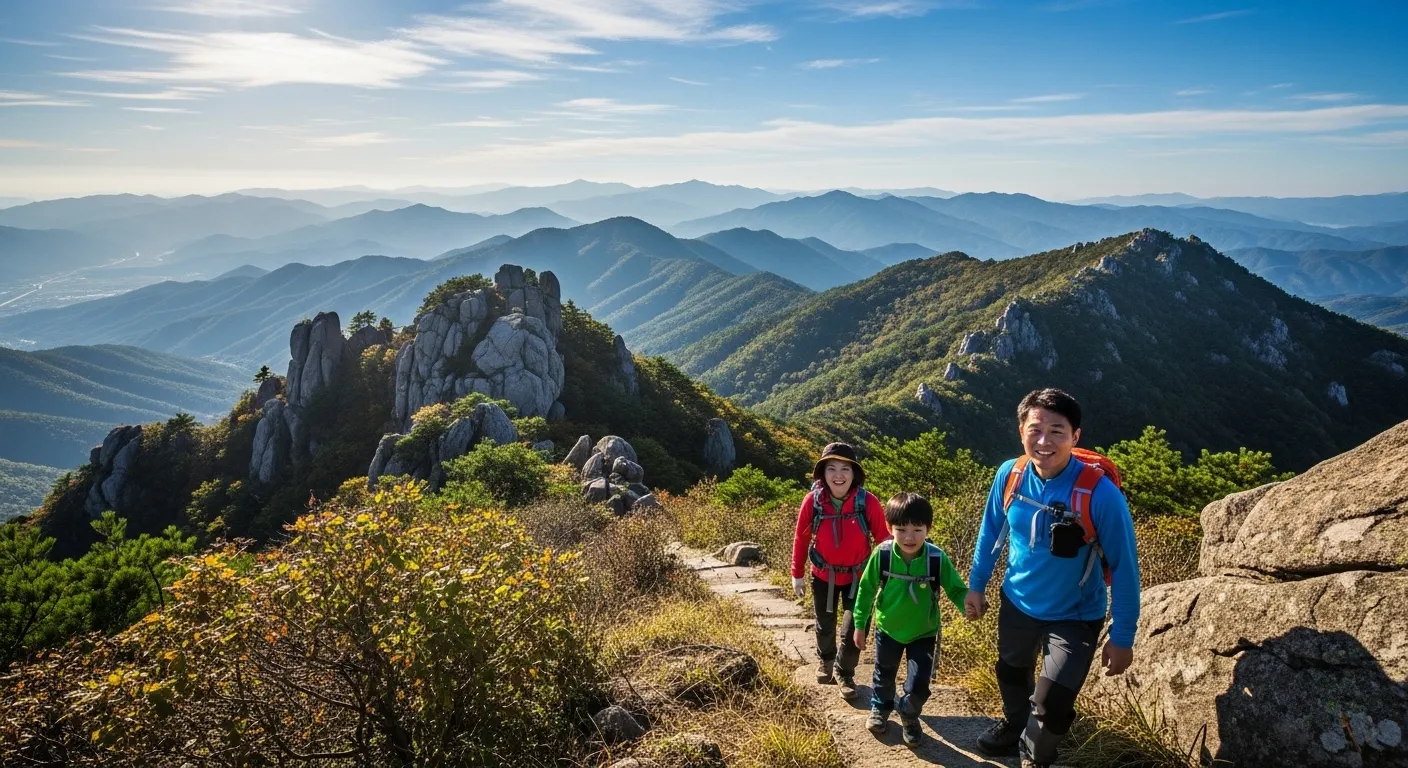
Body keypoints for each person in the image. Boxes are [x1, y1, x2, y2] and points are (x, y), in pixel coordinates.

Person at [966, 388, 1141, 768]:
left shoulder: (1101, 495)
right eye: (1035, 429)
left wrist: (1123, 636)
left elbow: (1125, 566)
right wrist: (976, 585)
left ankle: (1035, 757)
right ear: (1021, 431)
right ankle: (1015, 725)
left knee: (1054, 703)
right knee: (1010, 672)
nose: (1044, 441)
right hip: (1018, 601)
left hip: (1075, 615)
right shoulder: (1011, 475)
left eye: (1057, 431)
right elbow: (990, 531)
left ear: (1075, 436)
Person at [851, 492, 969, 746]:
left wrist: (968, 606)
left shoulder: (936, 558)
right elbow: (866, 590)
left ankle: (909, 713)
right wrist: (860, 625)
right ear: (889, 528)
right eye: (901, 529)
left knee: (919, 684)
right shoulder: (882, 555)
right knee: (884, 673)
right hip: (888, 628)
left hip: (923, 632)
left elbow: (956, 589)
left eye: (917, 530)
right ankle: (880, 708)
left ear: (928, 528)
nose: (909, 537)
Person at [790, 442, 889, 700]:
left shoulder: (867, 502)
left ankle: (845, 673)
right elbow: (801, 538)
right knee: (824, 624)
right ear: (822, 474)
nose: (838, 475)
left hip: (860, 577)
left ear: (854, 473)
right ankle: (826, 660)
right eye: (831, 469)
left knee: (855, 626)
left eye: (845, 469)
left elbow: (884, 539)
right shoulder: (813, 502)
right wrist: (797, 574)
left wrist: (891, 574)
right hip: (823, 574)